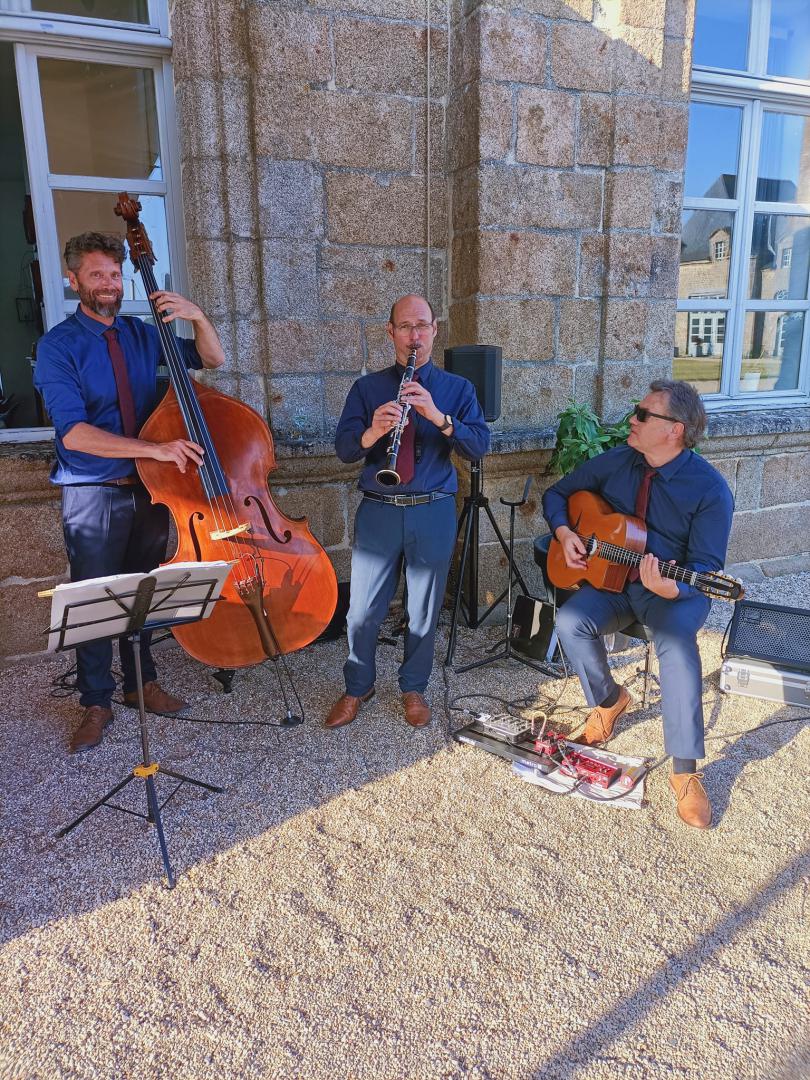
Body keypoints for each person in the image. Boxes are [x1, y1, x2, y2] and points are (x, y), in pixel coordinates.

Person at [34, 232, 225, 753]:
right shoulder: (57, 346)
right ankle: (96, 700)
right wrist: (156, 450)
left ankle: (142, 683)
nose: (109, 284)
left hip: (148, 491)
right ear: (72, 280)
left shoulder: (144, 335)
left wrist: (198, 317)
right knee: (97, 599)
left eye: (115, 275)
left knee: (143, 592)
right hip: (92, 491)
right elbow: (72, 433)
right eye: (97, 274)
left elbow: (213, 360)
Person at [542, 380, 734, 828]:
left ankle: (684, 771)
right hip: (613, 582)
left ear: (675, 430)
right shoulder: (620, 460)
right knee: (571, 621)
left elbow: (705, 568)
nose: (633, 419)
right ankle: (609, 701)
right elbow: (558, 495)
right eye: (637, 411)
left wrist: (675, 588)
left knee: (678, 650)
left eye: (643, 415)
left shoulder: (710, 490)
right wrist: (565, 534)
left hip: (671, 592)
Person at [327, 294, 490, 729]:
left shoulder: (458, 390)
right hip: (379, 509)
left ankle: (413, 687)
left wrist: (439, 417)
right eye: (404, 326)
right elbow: (343, 450)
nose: (414, 335)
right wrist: (372, 433)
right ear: (391, 332)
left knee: (424, 608)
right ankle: (358, 686)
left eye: (422, 325)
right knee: (362, 610)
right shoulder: (367, 389)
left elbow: (478, 446)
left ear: (435, 330)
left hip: (432, 510)